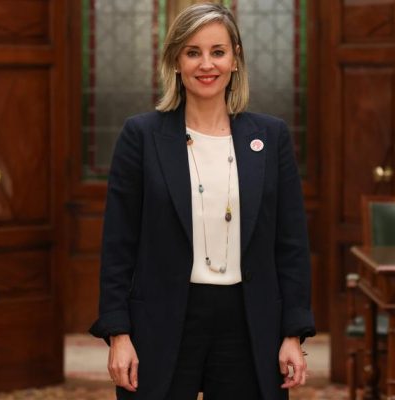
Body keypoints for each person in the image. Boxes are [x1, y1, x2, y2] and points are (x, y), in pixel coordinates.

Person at [89, 4, 315, 399]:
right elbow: (118, 245)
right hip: (161, 320)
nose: (206, 64)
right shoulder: (141, 136)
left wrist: (293, 333)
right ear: (175, 61)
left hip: (248, 323)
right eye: (193, 52)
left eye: (217, 51)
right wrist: (118, 333)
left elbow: (291, 244)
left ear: (235, 59)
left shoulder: (271, 136)